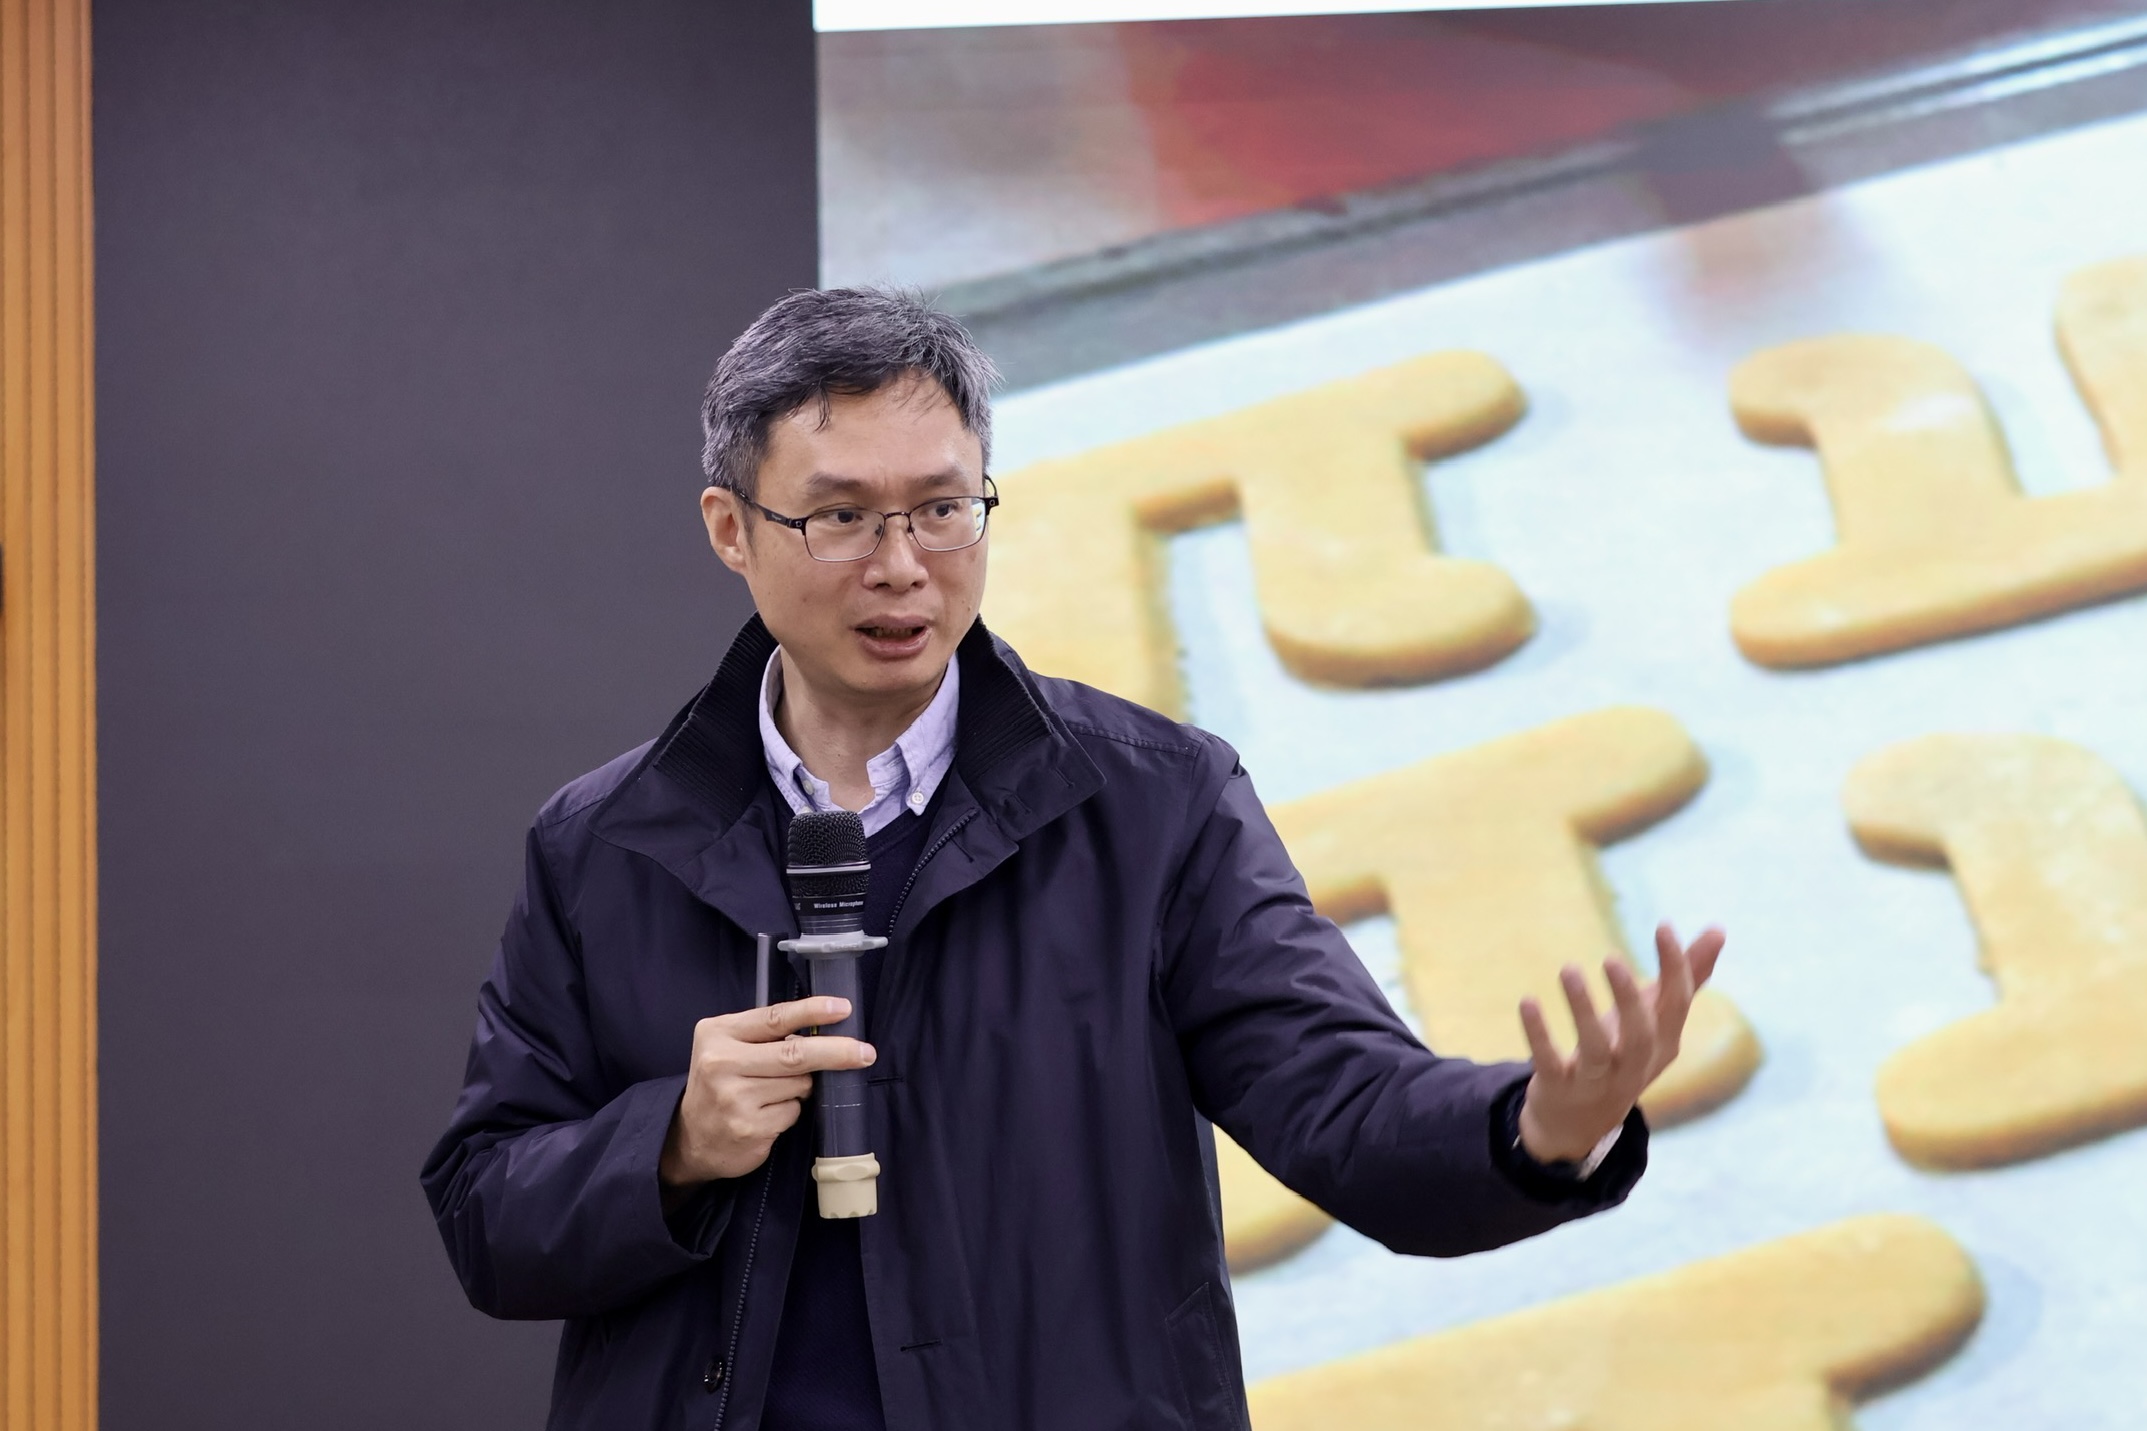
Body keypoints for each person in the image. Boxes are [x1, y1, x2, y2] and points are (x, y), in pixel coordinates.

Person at [420, 288, 1727, 1431]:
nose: (903, 568)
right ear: (730, 527)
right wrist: (669, 1144)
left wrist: (1537, 1131)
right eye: (842, 518)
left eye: (944, 509)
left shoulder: (1155, 804)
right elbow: (486, 1214)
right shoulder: (605, 842)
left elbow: (1339, 1100)